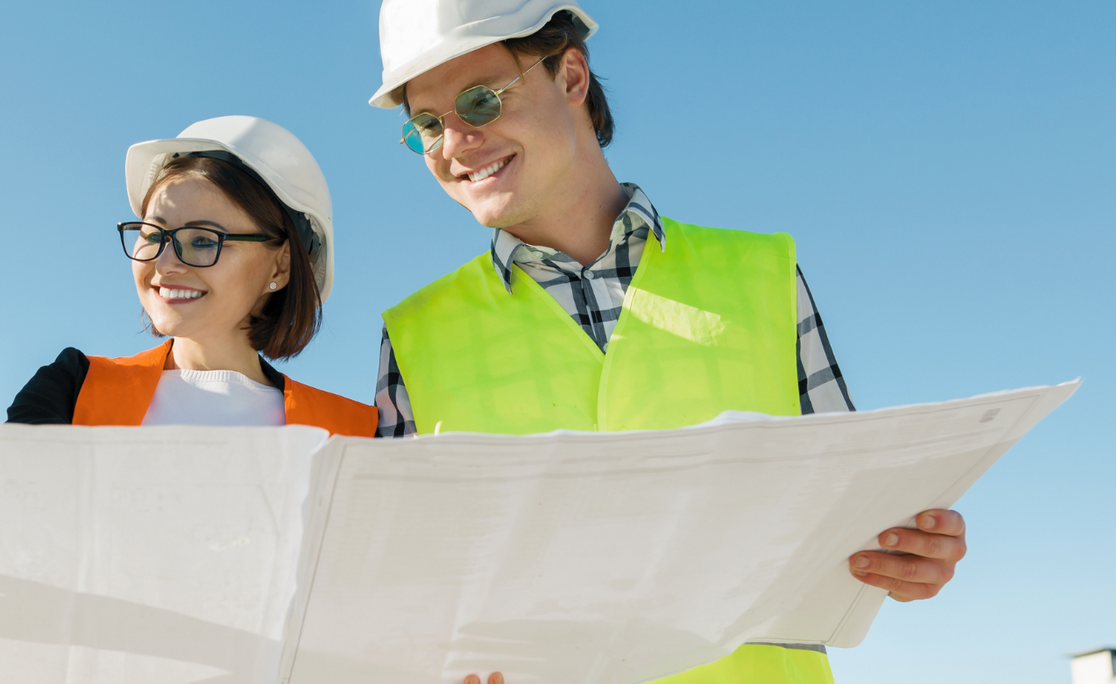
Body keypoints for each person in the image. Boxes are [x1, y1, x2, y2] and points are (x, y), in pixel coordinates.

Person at [365, 1, 968, 682]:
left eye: (479, 101)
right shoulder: (413, 336)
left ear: (570, 76)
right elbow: (407, 596)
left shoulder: (762, 274)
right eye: (425, 126)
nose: (453, 143)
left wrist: (909, 549)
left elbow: (855, 520)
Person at [7, 116, 376, 436]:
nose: (166, 262)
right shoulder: (71, 389)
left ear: (280, 266)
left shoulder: (351, 433)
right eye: (153, 234)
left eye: (202, 240)